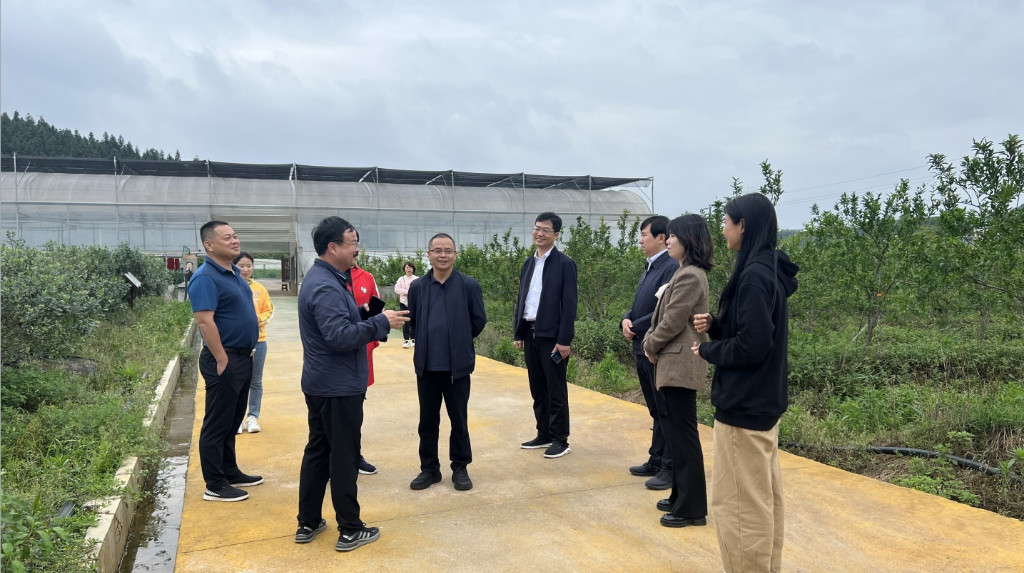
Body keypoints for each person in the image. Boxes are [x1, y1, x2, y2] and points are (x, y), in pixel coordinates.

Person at [692, 193, 799, 573]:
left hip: (744, 407)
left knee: (739, 508)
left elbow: (753, 346)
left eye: (726, 222)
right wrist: (718, 326)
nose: (722, 229)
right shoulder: (767, 269)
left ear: (743, 225)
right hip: (761, 405)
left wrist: (709, 350)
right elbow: (754, 331)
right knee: (761, 501)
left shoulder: (754, 275)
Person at [295, 216, 408, 552]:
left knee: (318, 451)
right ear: (333, 247)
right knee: (343, 455)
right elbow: (339, 337)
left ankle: (308, 521)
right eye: (352, 242)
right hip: (338, 386)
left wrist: (362, 314)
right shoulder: (326, 284)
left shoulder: (325, 278)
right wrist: (380, 322)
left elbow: (336, 324)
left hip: (323, 382)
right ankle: (350, 529)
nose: (357, 248)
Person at [643, 214, 713, 528]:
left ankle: (691, 508)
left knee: (684, 437)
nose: (668, 240)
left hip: (680, 364)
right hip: (674, 363)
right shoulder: (684, 272)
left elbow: (672, 320)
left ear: (688, 239)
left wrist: (649, 344)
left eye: (673, 236)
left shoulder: (690, 276)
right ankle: (681, 496)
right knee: (677, 435)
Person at [406, 233, 487, 491]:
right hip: (427, 368)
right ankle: (429, 469)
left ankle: (460, 467)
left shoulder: (469, 286)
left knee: (459, 421)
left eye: (448, 250)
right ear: (428, 254)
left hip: (457, 369)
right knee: (427, 422)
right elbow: (413, 320)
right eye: (438, 250)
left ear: (455, 254)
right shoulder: (418, 287)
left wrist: (459, 339)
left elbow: (479, 320)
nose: (443, 255)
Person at [188, 221, 262, 502]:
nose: (235, 241)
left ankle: (230, 471)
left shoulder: (234, 273)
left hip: (242, 356)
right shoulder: (206, 277)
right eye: (227, 237)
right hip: (224, 358)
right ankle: (215, 484)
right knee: (217, 423)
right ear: (209, 245)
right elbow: (205, 322)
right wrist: (221, 358)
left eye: (235, 236)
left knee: (232, 420)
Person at [513, 212, 578, 458]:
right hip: (530, 333)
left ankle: (561, 439)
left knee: (555, 389)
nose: (539, 233)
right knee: (537, 388)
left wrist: (564, 340)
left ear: (556, 235)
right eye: (537, 228)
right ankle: (544, 433)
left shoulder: (564, 264)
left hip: (552, 337)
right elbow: (522, 300)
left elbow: (569, 305)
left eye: (546, 230)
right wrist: (518, 332)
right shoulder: (528, 263)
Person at [621, 215, 678, 491]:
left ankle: (669, 467)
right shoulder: (650, 266)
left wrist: (635, 326)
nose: (641, 240)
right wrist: (626, 318)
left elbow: (663, 311)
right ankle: (656, 459)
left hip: (655, 347)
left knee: (665, 410)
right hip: (641, 345)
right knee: (656, 409)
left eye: (644, 235)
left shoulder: (670, 267)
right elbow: (638, 304)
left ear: (661, 238)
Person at [233, 252, 274, 435]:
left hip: (259, 341)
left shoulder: (260, 289)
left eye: (249, 265)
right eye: (241, 266)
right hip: (236, 342)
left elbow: (269, 311)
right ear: (234, 266)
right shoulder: (230, 286)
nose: (245, 269)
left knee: (256, 380)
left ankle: (252, 417)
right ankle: (237, 418)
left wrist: (256, 319)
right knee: (236, 380)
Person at [349, 262, 382, 476]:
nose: (355, 249)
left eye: (356, 246)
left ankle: (354, 455)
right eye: (350, 245)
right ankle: (333, 460)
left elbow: (375, 309)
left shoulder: (366, 277)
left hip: (362, 352)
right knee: (334, 412)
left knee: (356, 408)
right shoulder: (328, 277)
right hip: (337, 355)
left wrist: (371, 341)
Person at [394, 261, 419, 348]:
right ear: (404, 269)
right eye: (407, 267)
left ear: (413, 269)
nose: (409, 269)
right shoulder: (401, 279)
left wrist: (412, 294)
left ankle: (414, 339)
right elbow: (397, 289)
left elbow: (420, 290)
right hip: (404, 303)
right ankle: (406, 339)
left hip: (414, 302)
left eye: (410, 267)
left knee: (414, 320)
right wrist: (407, 292)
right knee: (405, 321)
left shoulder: (417, 279)